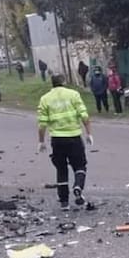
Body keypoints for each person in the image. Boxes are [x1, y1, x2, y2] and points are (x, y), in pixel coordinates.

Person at [37, 75, 94, 210]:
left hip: (57, 140)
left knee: (61, 169)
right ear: (63, 82)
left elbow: (42, 124)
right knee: (80, 165)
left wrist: (41, 141)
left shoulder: (45, 99)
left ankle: (64, 202)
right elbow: (84, 115)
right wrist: (89, 133)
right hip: (74, 137)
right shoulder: (73, 95)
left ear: (52, 84)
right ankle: (78, 187)